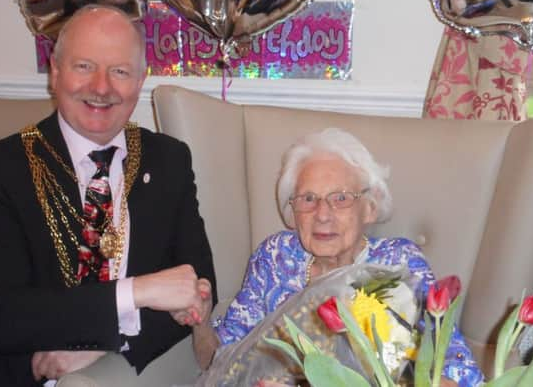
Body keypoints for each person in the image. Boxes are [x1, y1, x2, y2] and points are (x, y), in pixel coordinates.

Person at [0, 4, 216, 386]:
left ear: (140, 81)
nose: (101, 87)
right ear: (55, 73)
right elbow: (3, 317)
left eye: (119, 71)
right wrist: (136, 292)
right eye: (84, 66)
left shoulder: (169, 160)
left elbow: (198, 285)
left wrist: (108, 342)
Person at [193, 128, 483, 387]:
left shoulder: (396, 263)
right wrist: (200, 322)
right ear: (293, 212)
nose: (322, 214)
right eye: (308, 199)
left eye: (341, 198)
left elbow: (457, 371)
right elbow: (221, 362)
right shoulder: (275, 258)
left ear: (370, 208)